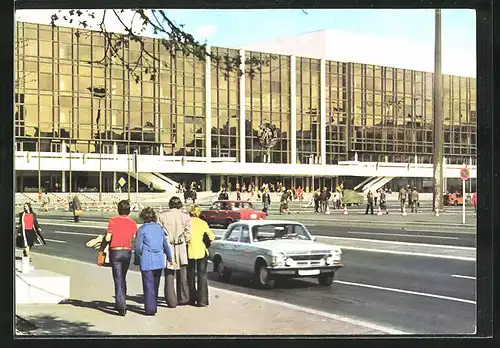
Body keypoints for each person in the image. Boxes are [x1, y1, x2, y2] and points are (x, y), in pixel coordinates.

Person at [135, 207, 173, 316]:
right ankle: (154, 306)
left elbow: (138, 248)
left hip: (147, 260)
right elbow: (165, 244)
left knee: (148, 286)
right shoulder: (159, 228)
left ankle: (150, 309)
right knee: (155, 285)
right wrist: (169, 257)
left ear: (143, 217)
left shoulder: (142, 230)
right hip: (159, 260)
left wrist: (138, 258)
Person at [158, 196, 192, 308]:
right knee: (183, 274)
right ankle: (183, 298)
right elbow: (188, 234)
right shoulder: (186, 217)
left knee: (169, 275)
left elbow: (160, 233)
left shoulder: (162, 216)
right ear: (180, 205)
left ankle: (171, 300)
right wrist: (183, 240)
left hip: (168, 247)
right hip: (181, 246)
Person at [105, 200, 138, 316]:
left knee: (118, 278)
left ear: (118, 209)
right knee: (123, 277)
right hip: (127, 251)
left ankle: (121, 305)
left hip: (115, 251)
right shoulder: (133, 223)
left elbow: (108, 238)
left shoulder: (113, 221)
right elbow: (135, 238)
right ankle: (121, 300)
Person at [186, 205, 215, 307]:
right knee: (202, 276)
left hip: (189, 251)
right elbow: (212, 236)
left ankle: (191, 298)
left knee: (190, 276)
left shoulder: (187, 222)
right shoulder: (203, 223)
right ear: (199, 213)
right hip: (201, 252)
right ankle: (202, 300)